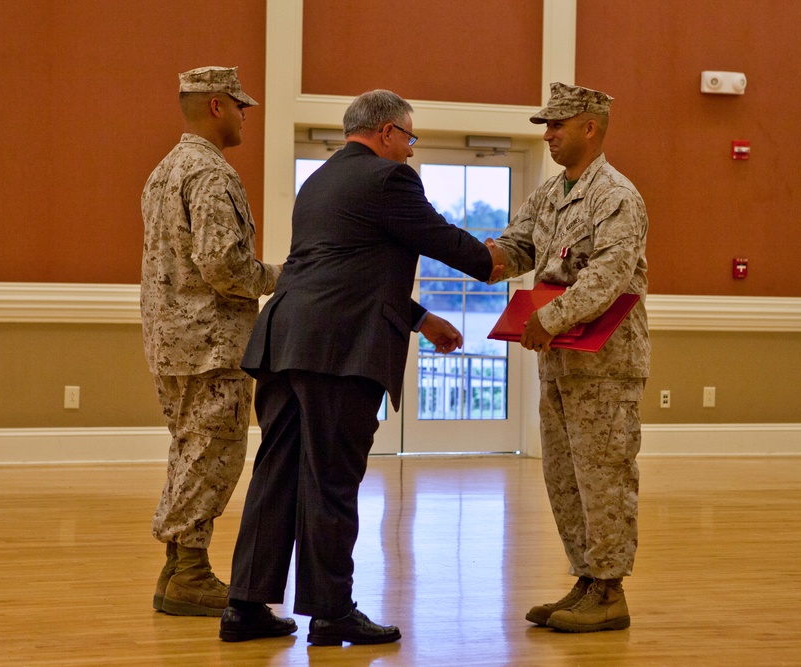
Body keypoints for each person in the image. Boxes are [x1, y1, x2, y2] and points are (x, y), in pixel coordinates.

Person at [218, 89, 506, 645]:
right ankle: (331, 613)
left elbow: (344, 270)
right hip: (338, 353)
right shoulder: (388, 179)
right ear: (387, 132)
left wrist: (421, 319)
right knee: (331, 480)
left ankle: (246, 607)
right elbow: (439, 236)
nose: (411, 152)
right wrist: (492, 262)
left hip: (284, 344)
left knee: (276, 475)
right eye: (409, 139)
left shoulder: (319, 182)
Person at [490, 82, 650, 633]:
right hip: (559, 361)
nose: (549, 135)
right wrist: (469, 255)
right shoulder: (551, 193)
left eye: (557, 125)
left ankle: (609, 590)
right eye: (546, 126)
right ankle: (585, 579)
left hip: (604, 366)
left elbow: (609, 276)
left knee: (603, 475)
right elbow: (517, 248)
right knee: (565, 477)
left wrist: (549, 319)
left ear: (590, 127)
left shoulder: (616, 196)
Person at [140, 66, 282, 618]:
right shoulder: (209, 173)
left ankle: (178, 569)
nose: (246, 115)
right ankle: (190, 573)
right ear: (217, 106)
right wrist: (279, 277)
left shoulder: (165, 170)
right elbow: (224, 266)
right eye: (241, 106)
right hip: (211, 344)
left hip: (172, 341)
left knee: (187, 450)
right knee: (212, 455)